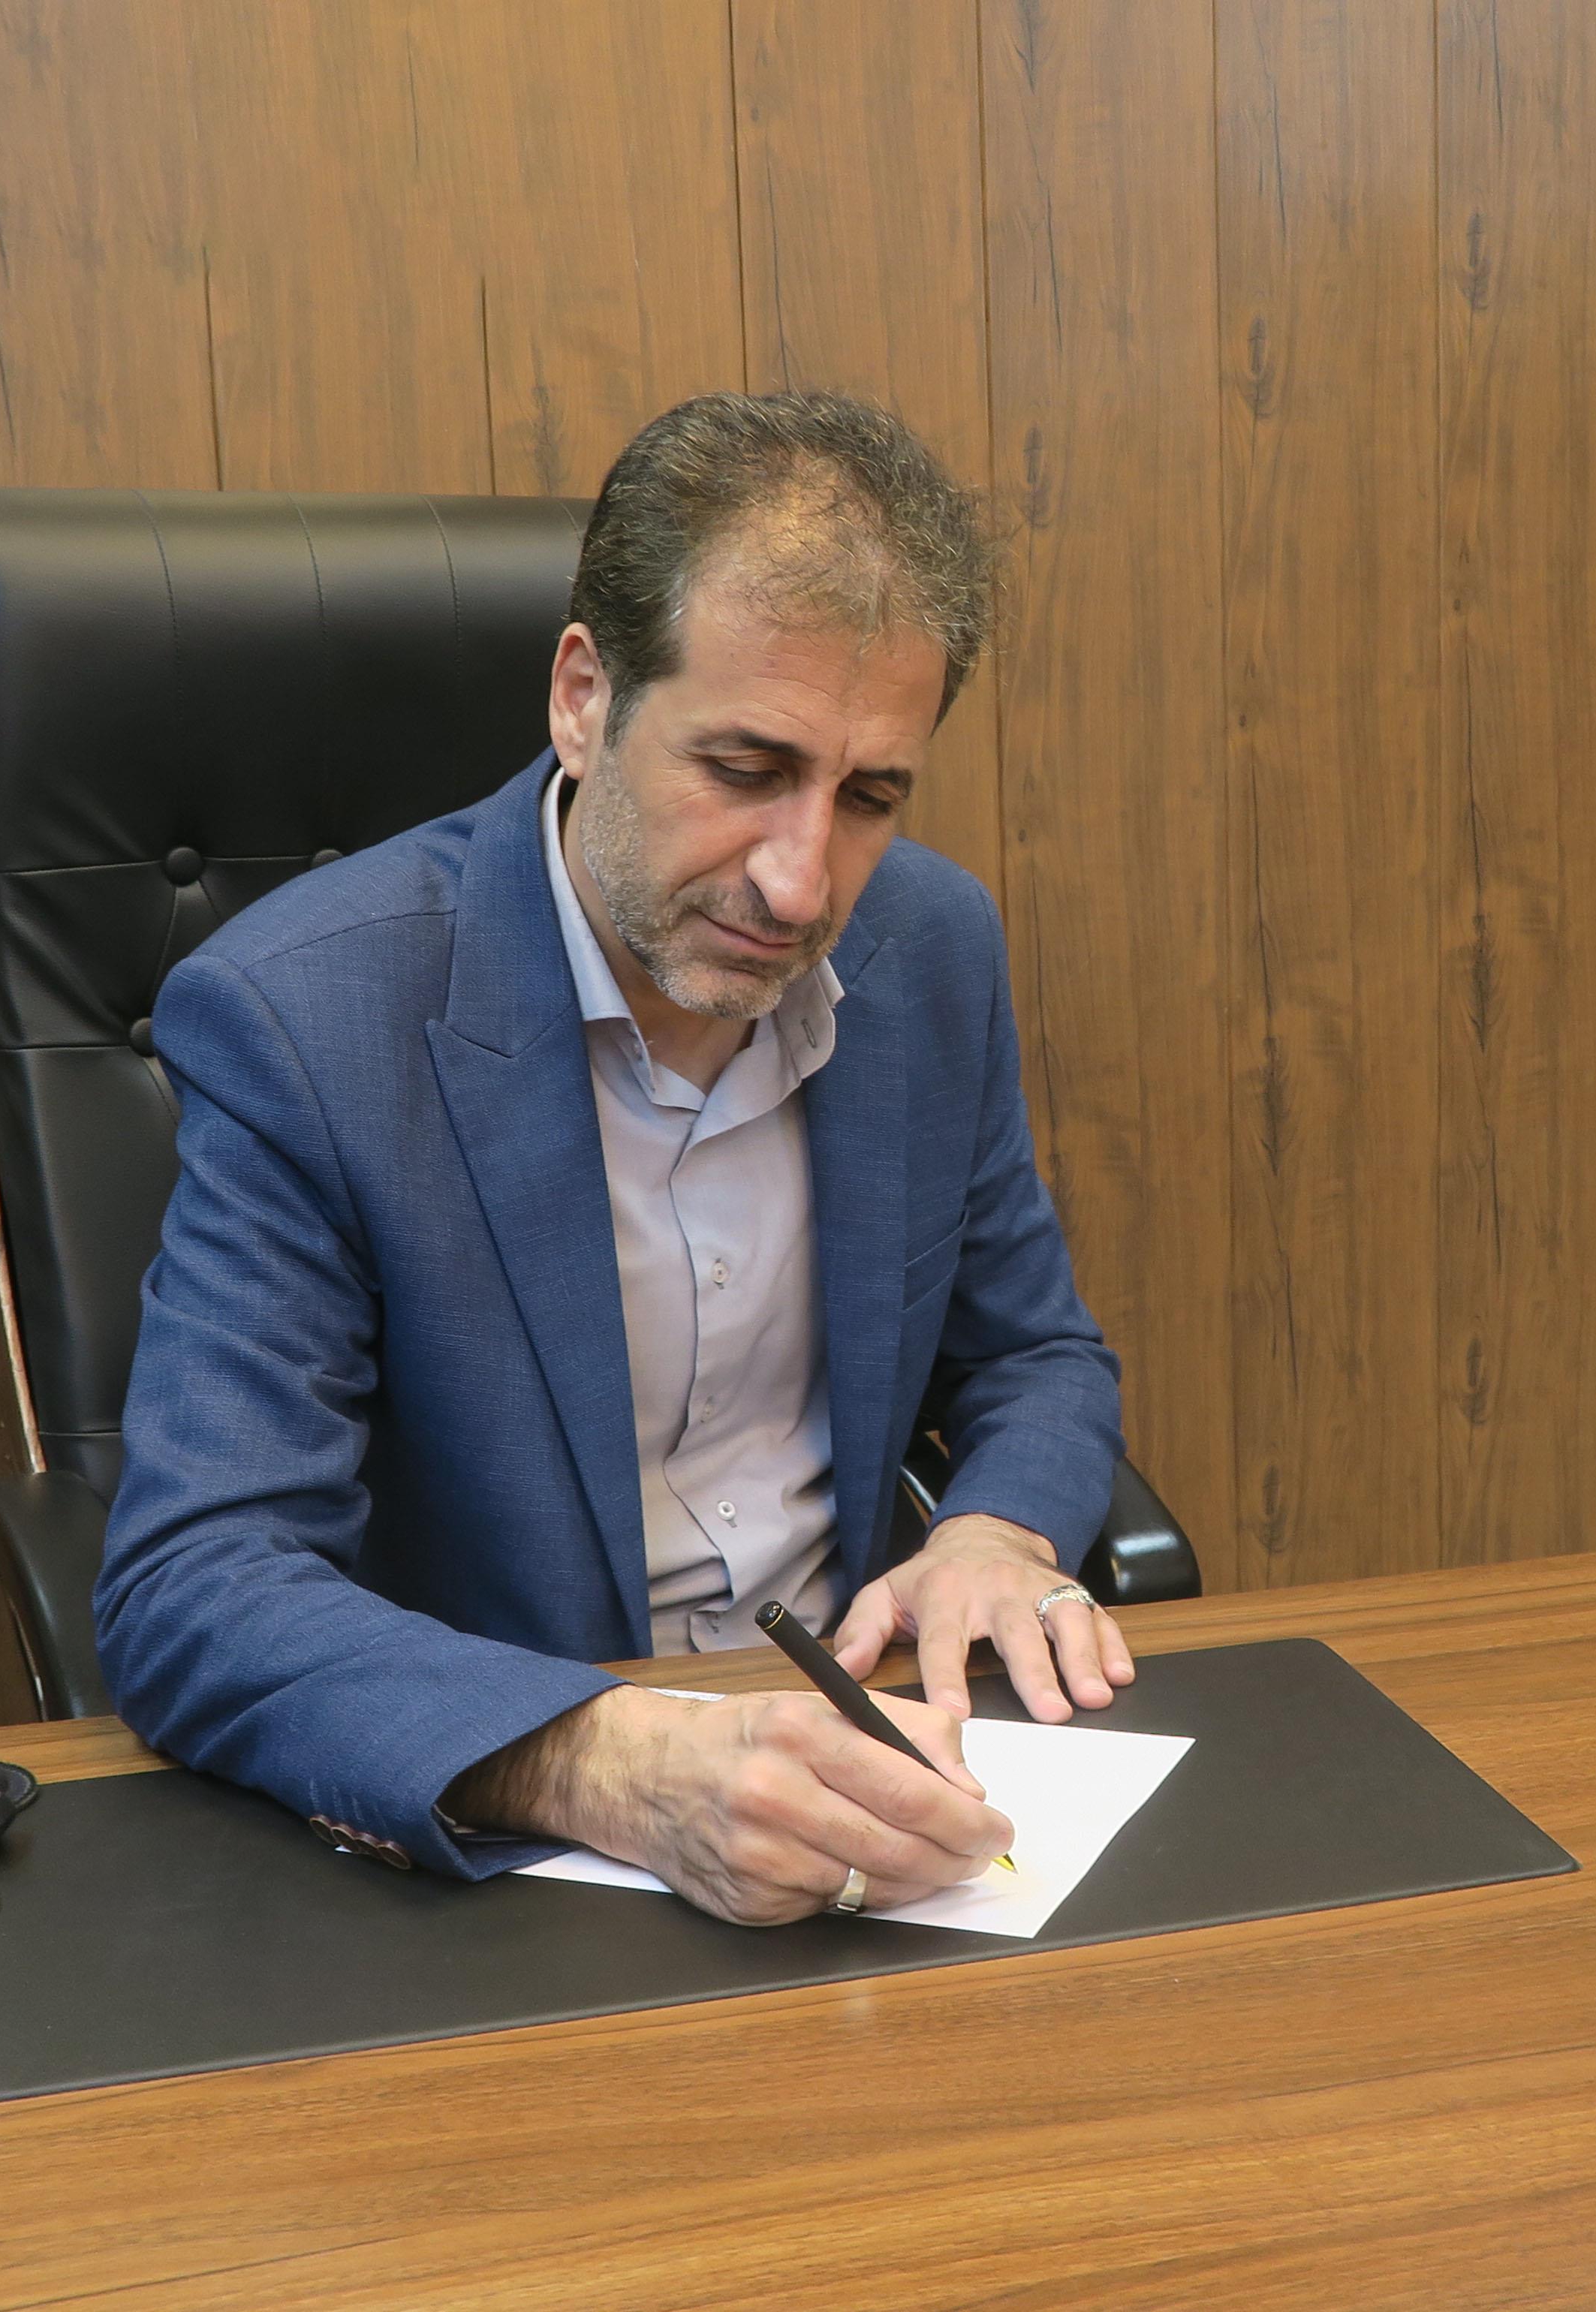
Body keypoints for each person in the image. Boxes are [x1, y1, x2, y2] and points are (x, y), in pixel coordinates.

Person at [92, 393, 1132, 1926]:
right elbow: (196, 1584)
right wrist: (610, 1759)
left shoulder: (930, 947)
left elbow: (1033, 1350)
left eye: (869, 796)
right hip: (517, 1856)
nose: (802, 883)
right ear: (583, 698)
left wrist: (994, 1529)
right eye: (747, 767)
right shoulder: (305, 1020)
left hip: (874, 1782)